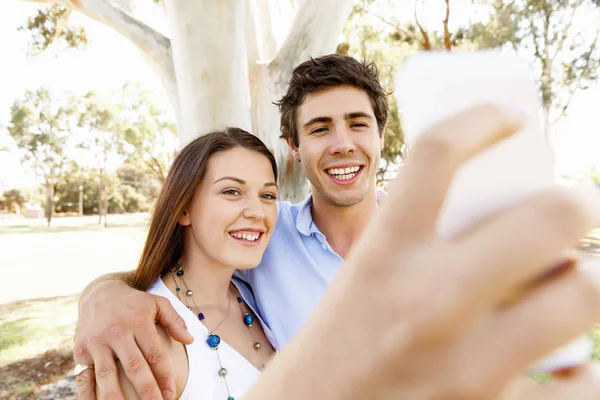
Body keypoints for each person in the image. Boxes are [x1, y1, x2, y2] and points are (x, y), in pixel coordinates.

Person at [73, 55, 600, 399]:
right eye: (320, 129)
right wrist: (105, 296)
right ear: (296, 150)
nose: (343, 143)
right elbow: (186, 265)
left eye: (358, 124)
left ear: (380, 137)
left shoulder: (447, 244)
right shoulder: (264, 240)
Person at [93, 127, 280, 399]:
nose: (257, 212)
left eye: (267, 195)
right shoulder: (150, 338)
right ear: (183, 209)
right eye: (231, 191)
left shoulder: (253, 293)